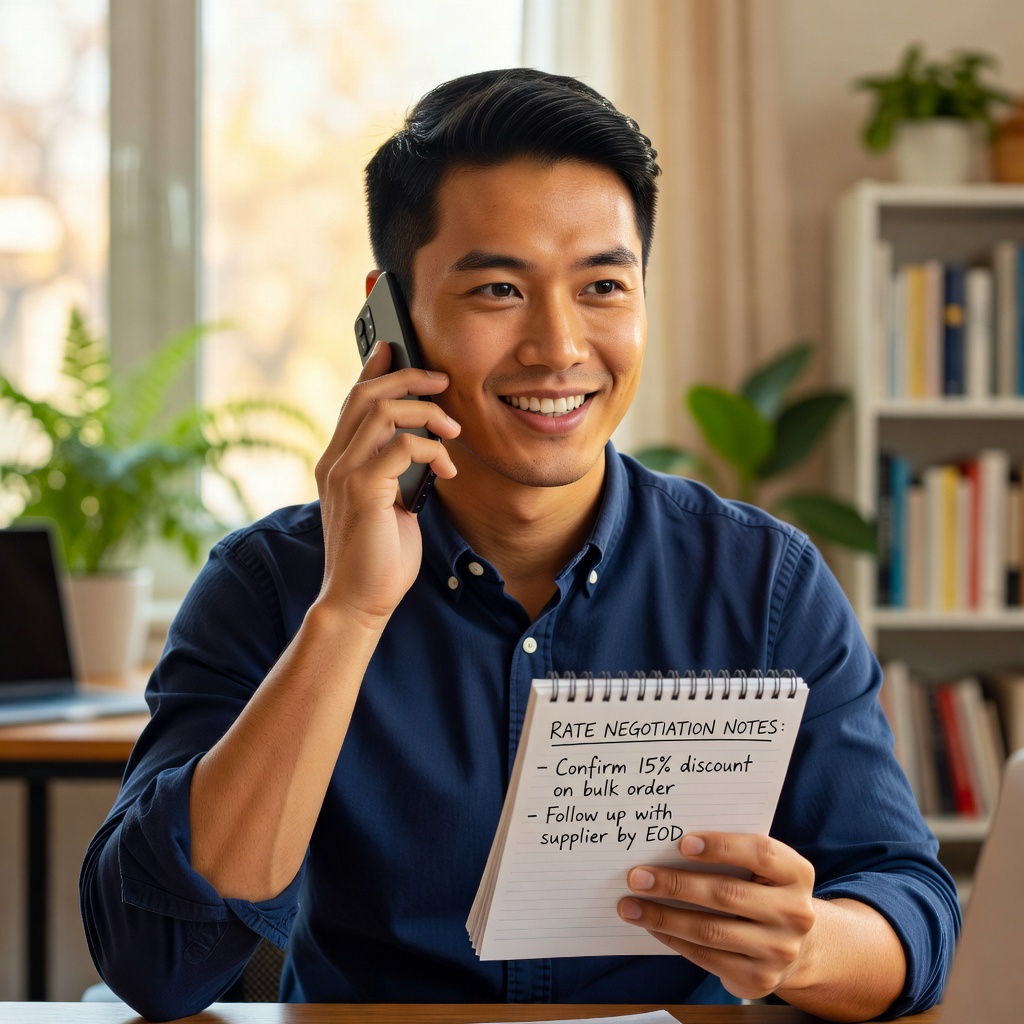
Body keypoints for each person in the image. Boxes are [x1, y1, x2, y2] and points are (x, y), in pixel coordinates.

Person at [80, 68, 959, 1022]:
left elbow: (912, 916)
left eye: (603, 286)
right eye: (499, 288)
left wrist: (808, 943)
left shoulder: (762, 581)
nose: (559, 346)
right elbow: (158, 964)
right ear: (391, 317)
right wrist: (350, 612)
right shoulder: (271, 582)